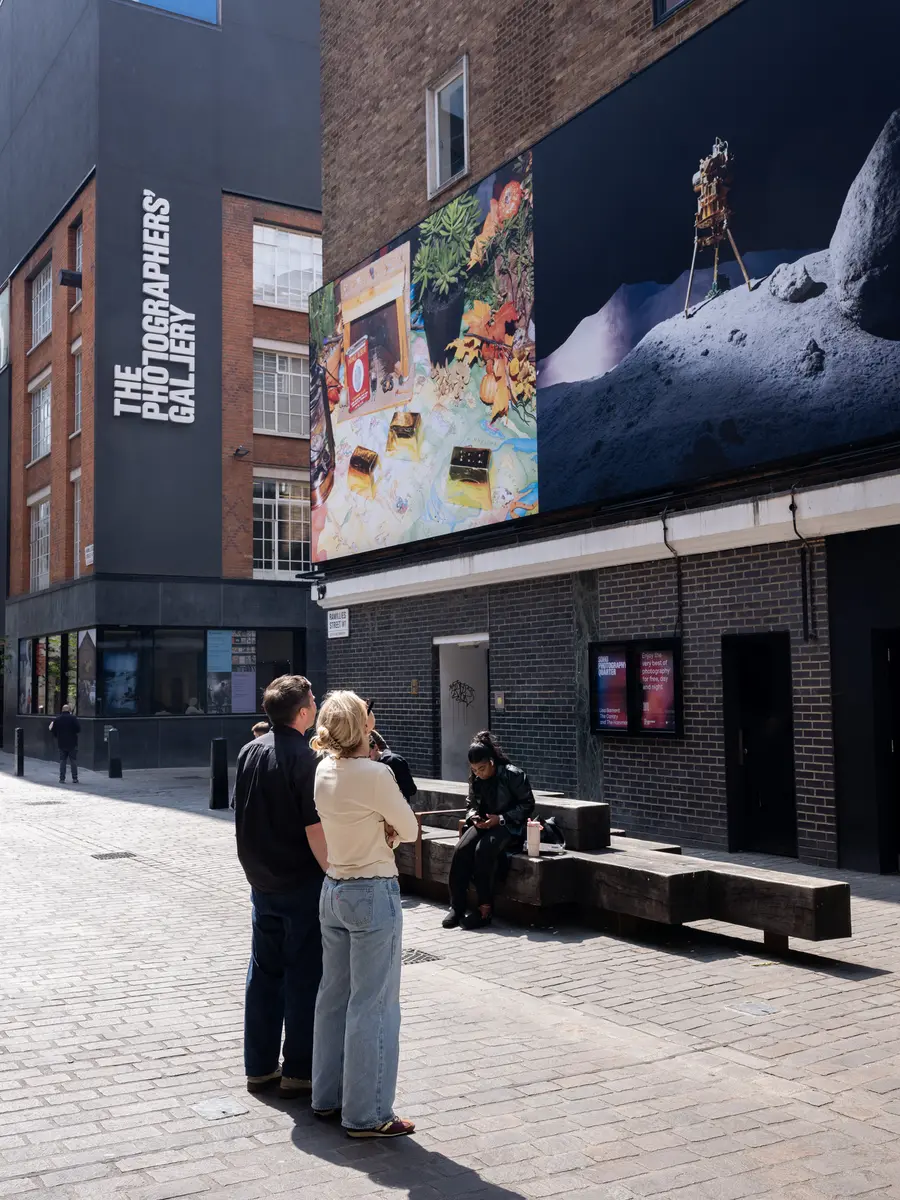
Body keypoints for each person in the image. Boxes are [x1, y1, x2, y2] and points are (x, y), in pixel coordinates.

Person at [311, 690, 419, 1138]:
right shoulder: (376, 773)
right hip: (372, 890)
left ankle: (326, 1096)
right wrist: (386, 829)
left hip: (333, 888)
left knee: (333, 998)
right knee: (373, 1005)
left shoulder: (322, 769)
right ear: (362, 726)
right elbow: (410, 828)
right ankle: (368, 1114)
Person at [232, 675, 328, 1100]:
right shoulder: (305, 759)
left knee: (264, 973)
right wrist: (332, 872)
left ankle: (259, 1067)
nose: (316, 706)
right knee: (304, 976)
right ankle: (299, 1071)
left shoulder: (249, 750)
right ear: (303, 712)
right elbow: (314, 828)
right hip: (300, 881)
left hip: (261, 881)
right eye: (313, 701)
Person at [443, 731, 535, 930]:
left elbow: (527, 804)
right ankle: (457, 907)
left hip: (509, 826)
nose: (479, 773)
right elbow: (470, 803)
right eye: (474, 769)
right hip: (484, 823)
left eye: (482, 768)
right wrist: (474, 817)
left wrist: (501, 818)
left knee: (483, 851)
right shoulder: (476, 778)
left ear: (492, 762)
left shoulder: (513, 774)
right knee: (461, 850)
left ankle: (485, 910)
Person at [368, 730, 417, 801]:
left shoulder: (395, 761)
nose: (367, 757)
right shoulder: (365, 765)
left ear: (375, 747)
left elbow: (410, 790)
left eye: (369, 752)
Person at [50, 704, 80, 784]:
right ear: (69, 710)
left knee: (62, 761)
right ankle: (75, 778)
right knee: (73, 761)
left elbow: (53, 731)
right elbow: (78, 729)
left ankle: (62, 778)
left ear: (62, 710)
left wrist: (58, 736)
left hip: (61, 743)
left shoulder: (57, 719)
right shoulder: (73, 718)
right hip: (72, 743)